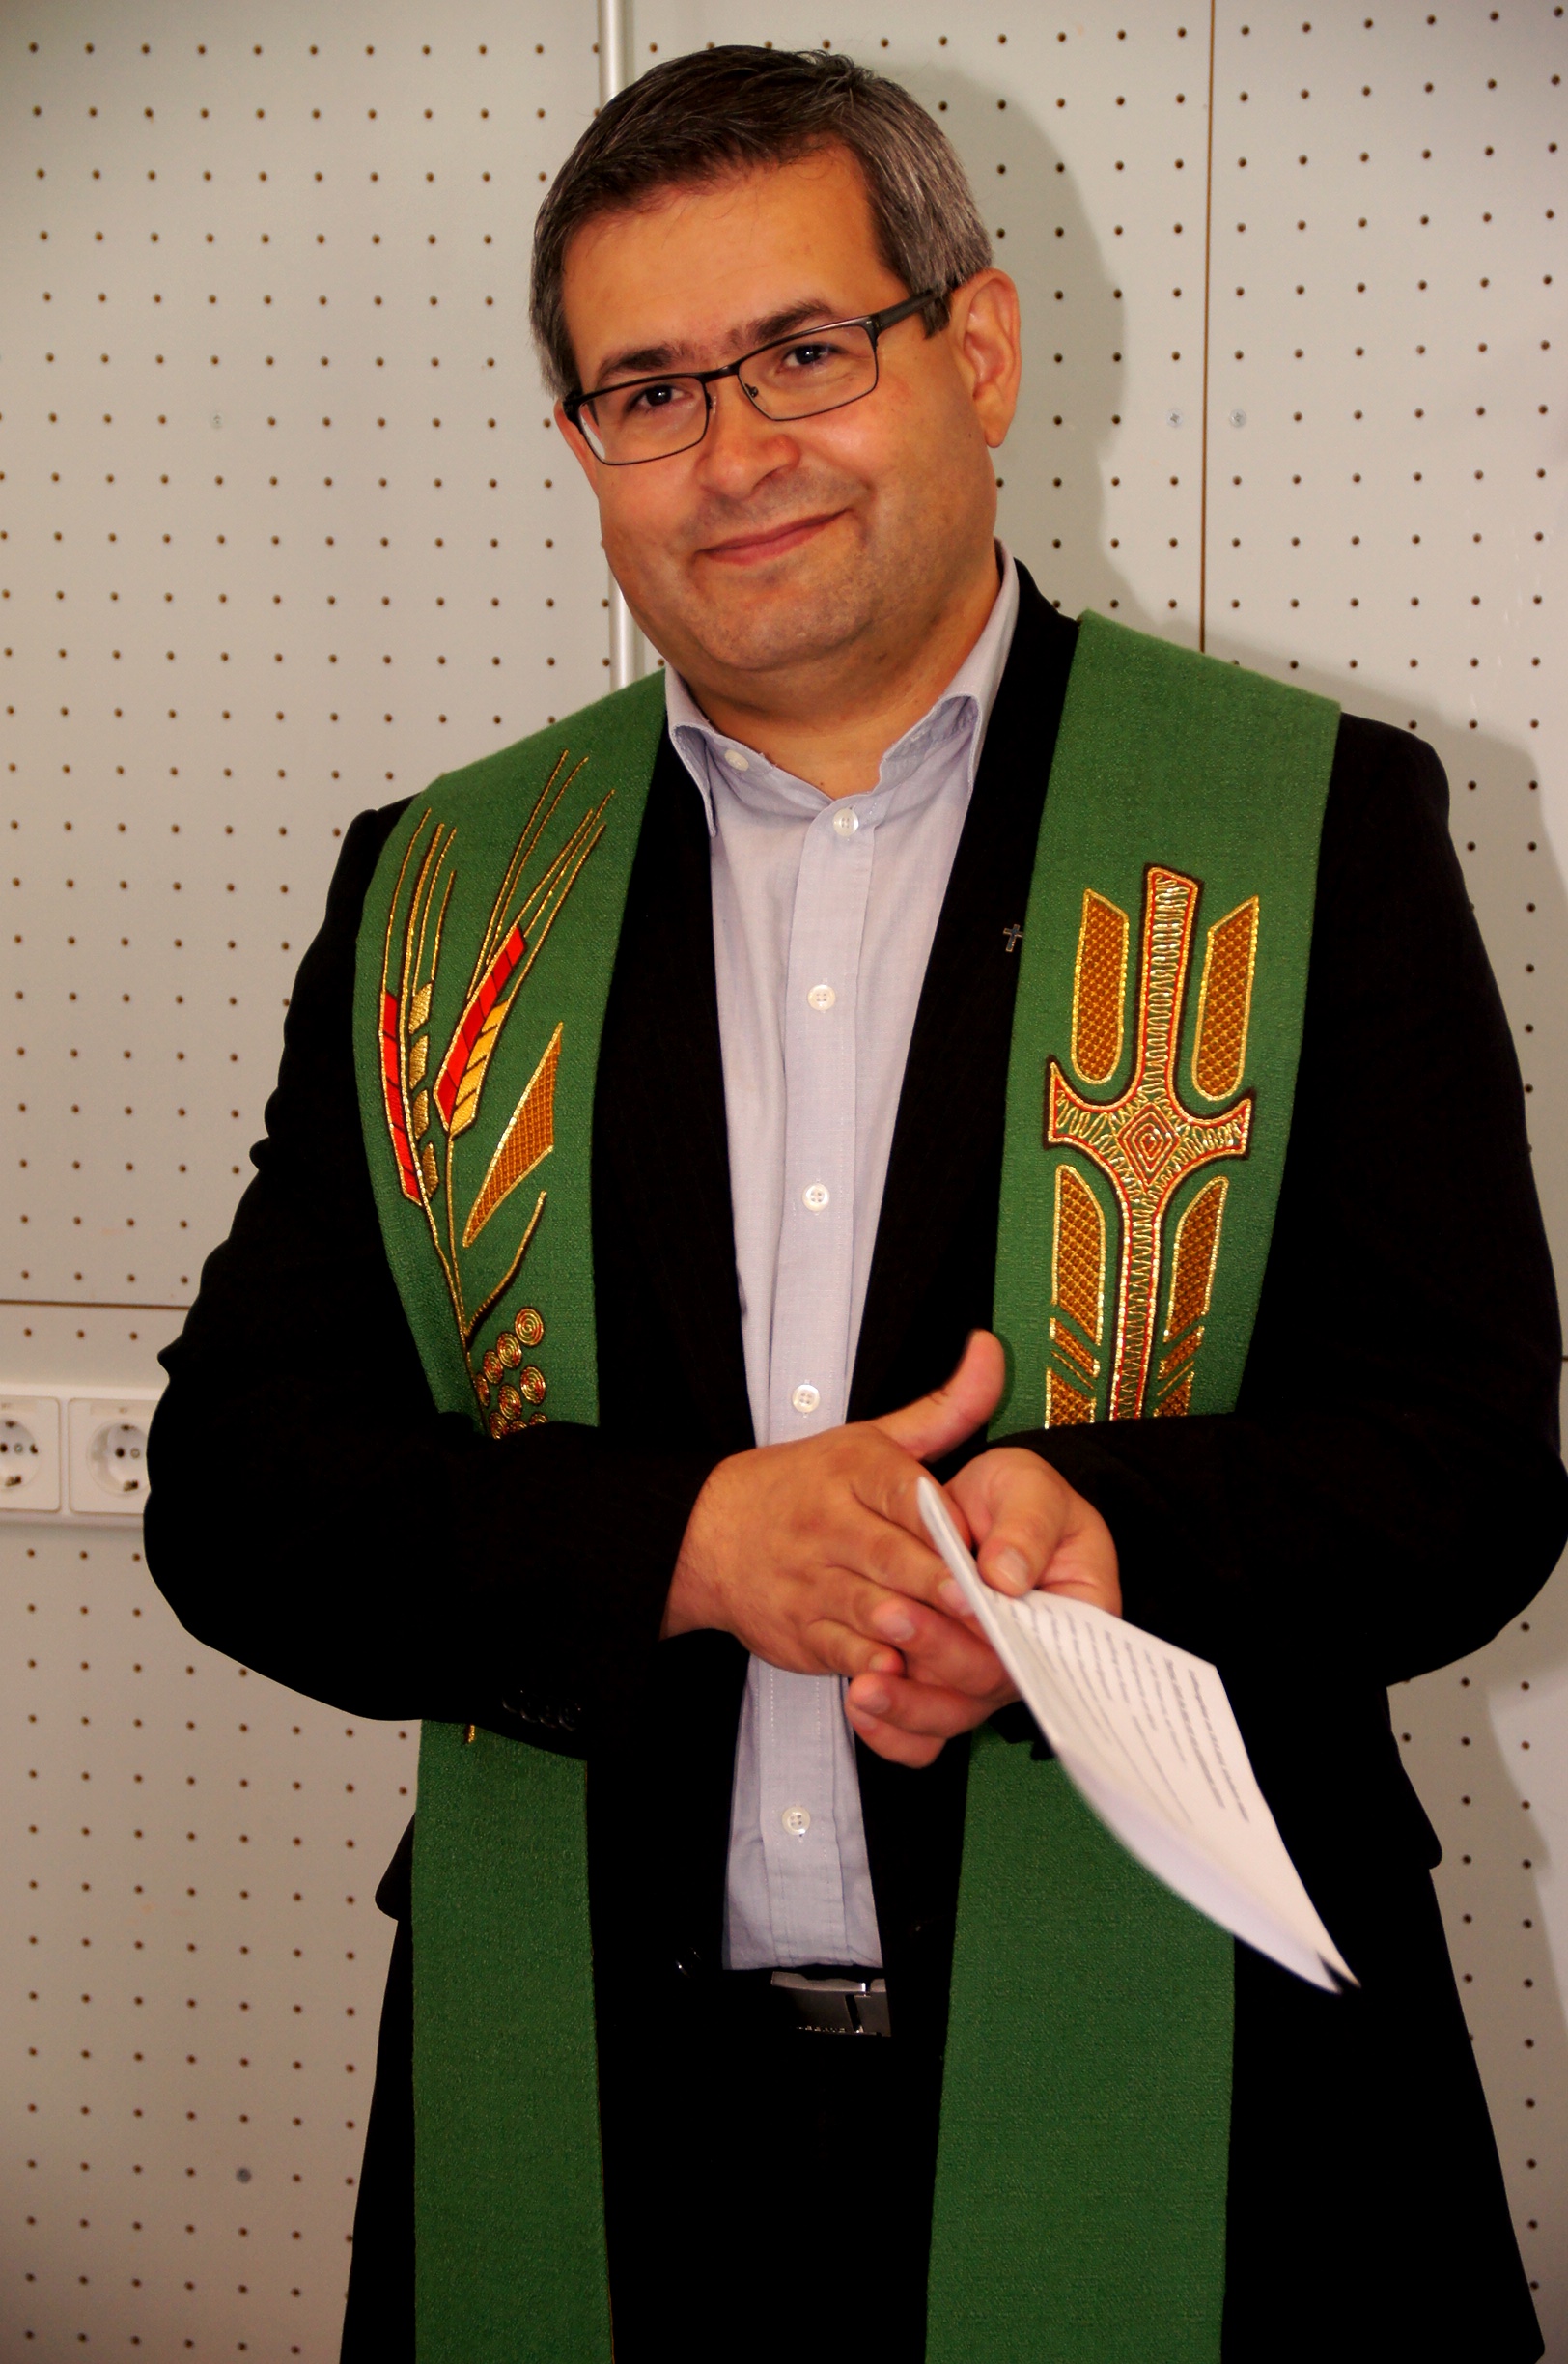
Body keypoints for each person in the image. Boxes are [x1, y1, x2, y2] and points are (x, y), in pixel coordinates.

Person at [145, 45, 1565, 2364]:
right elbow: (237, 1494)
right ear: (580, 445)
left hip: (1198, 2101)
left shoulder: (1307, 827)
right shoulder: (442, 893)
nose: (733, 454)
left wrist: (1107, 1546)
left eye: (802, 350)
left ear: (973, 350)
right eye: (646, 391)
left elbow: (1467, 1473)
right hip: (605, 2104)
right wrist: (689, 1546)